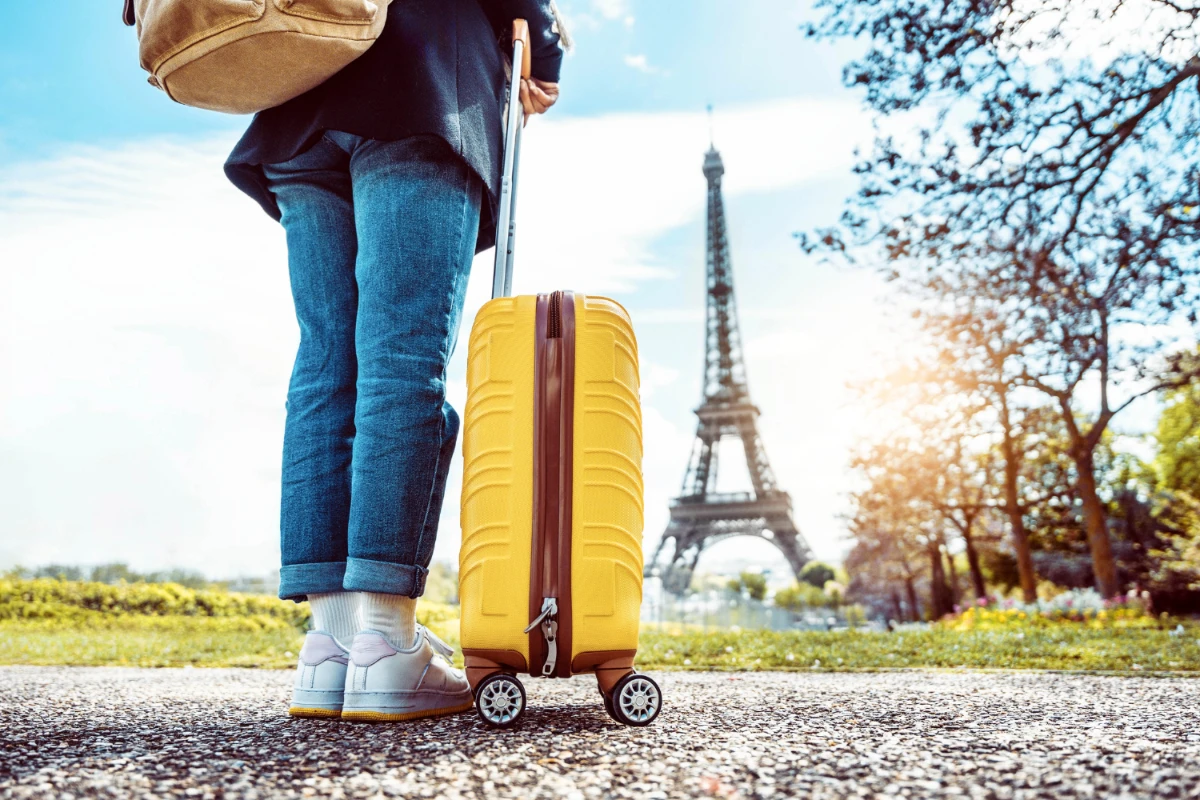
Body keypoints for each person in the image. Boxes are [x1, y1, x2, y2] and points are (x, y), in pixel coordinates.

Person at [224, 0, 567, 721]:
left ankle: (329, 648)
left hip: (298, 95)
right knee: (402, 365)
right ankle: (383, 641)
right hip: (420, 81)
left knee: (325, 371)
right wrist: (545, 41)